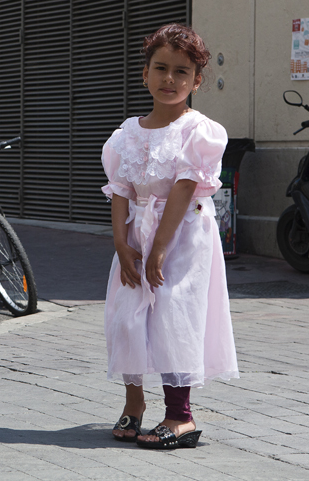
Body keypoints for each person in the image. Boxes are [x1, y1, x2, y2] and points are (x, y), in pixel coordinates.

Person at [102, 23, 239, 450]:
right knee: (127, 317)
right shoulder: (127, 133)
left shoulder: (199, 131)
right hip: (135, 236)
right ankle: (134, 403)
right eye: (160, 68)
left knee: (173, 316)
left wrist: (159, 248)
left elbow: (184, 189)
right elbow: (121, 189)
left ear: (197, 80)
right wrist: (122, 244)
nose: (169, 79)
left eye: (182, 72)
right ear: (144, 74)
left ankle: (180, 416)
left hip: (182, 236)